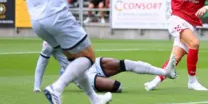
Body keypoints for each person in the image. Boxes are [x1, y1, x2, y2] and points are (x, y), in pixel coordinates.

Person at [33, 41, 177, 93]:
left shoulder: (69, 30)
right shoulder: (49, 43)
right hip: (80, 74)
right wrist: (36, 87)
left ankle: (165, 72)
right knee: (118, 87)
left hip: (92, 63)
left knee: (124, 63)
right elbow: (41, 64)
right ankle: (95, 88)